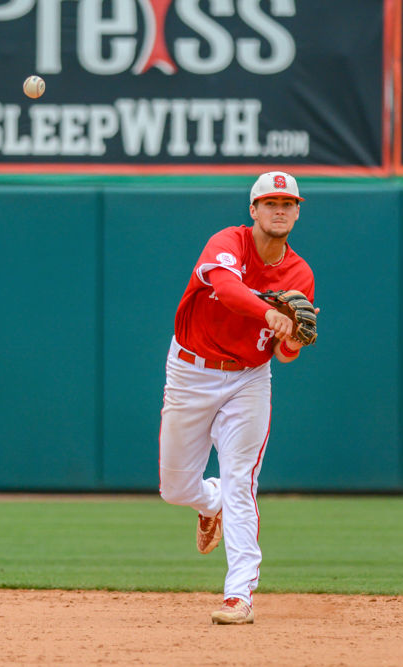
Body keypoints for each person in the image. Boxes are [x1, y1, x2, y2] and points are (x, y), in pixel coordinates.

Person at [158, 171, 316, 625]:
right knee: (175, 489)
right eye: (270, 202)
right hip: (191, 369)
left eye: (288, 203)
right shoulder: (228, 242)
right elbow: (225, 290)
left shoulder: (299, 273)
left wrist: (293, 339)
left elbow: (285, 354)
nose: (280, 209)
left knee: (242, 482)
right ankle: (211, 505)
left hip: (248, 379)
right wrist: (270, 310)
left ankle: (239, 595)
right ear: (253, 210)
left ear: (297, 211)